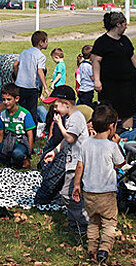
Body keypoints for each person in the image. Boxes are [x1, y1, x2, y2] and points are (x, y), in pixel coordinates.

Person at [72, 104, 125, 264]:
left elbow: (79, 165)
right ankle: (104, 249)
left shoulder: (86, 143)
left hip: (89, 192)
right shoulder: (110, 146)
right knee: (109, 222)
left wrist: (76, 185)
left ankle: (91, 249)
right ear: (111, 126)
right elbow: (120, 164)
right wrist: (117, 143)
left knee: (93, 222)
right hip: (107, 193)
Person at [43, 85, 90, 235]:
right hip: (72, 162)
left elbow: (70, 137)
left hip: (78, 163)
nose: (55, 110)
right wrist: (55, 152)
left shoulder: (76, 118)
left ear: (67, 104)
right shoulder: (70, 117)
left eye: (56, 106)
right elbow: (66, 139)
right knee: (69, 195)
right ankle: (74, 224)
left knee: (69, 195)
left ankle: (84, 224)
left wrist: (59, 124)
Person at [91, 12, 136, 129]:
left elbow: (131, 55)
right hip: (110, 85)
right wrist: (97, 80)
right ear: (118, 24)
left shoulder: (125, 40)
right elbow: (96, 61)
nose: (126, 26)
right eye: (124, 24)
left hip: (127, 85)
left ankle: (127, 135)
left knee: (128, 112)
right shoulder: (102, 42)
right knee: (109, 113)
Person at [14, 31, 50, 126]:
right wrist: (45, 87)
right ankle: (31, 135)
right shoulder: (41, 56)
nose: (47, 43)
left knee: (20, 110)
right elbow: (40, 71)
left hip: (19, 86)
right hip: (31, 87)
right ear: (41, 43)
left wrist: (17, 77)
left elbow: (15, 65)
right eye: (46, 41)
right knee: (31, 112)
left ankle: (19, 129)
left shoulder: (24, 52)